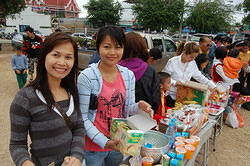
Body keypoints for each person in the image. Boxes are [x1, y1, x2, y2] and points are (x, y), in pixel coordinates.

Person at [77, 26, 153, 166]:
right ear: (98, 47)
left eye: (118, 47)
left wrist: (139, 106)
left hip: (119, 142)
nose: (112, 52)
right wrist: (104, 142)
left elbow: (128, 107)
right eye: (107, 46)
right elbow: (82, 117)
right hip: (94, 146)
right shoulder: (86, 77)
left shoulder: (128, 75)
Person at [9, 32, 85, 166]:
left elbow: (78, 128)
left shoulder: (71, 92)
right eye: (56, 55)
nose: (62, 62)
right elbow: (17, 144)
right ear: (44, 57)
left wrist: (76, 156)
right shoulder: (25, 97)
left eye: (68, 57)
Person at [162, 42, 216, 107]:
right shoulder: (172, 61)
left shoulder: (192, 63)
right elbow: (164, 77)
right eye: (191, 57)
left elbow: (199, 76)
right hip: (171, 94)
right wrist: (175, 82)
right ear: (184, 52)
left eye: (194, 57)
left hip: (183, 96)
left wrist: (213, 86)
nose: (192, 59)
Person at [119, 32, 160, 112]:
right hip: (142, 117)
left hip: (117, 118)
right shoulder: (150, 71)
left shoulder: (113, 68)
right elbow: (155, 101)